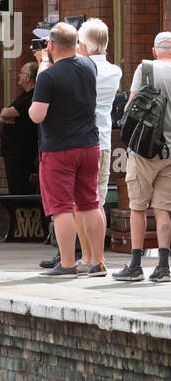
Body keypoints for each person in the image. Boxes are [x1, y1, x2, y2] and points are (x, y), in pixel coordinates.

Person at [28, 22, 104, 276]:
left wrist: (42, 65)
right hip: (90, 144)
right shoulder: (89, 66)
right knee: (90, 203)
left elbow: (37, 116)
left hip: (59, 148)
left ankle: (68, 263)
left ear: (50, 46)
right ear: (75, 44)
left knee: (61, 208)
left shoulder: (48, 75)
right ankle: (98, 262)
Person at [112, 32, 171, 282]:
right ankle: (163, 267)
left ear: (155, 50)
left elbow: (131, 107)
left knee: (137, 208)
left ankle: (135, 264)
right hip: (170, 152)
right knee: (163, 210)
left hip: (144, 150)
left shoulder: (146, 68)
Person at [68, 19, 122, 276]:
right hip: (104, 140)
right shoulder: (115, 71)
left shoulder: (79, 68)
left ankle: (90, 256)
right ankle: (95, 257)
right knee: (97, 200)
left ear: (84, 44)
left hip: (81, 140)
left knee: (81, 203)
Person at [0, 61, 40, 195]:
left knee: (19, 189)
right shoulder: (23, 96)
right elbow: (2, 117)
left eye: (21, 73)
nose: (18, 76)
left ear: (28, 77)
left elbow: (5, 113)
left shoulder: (31, 97)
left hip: (21, 153)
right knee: (14, 187)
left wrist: (7, 114)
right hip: (13, 152)